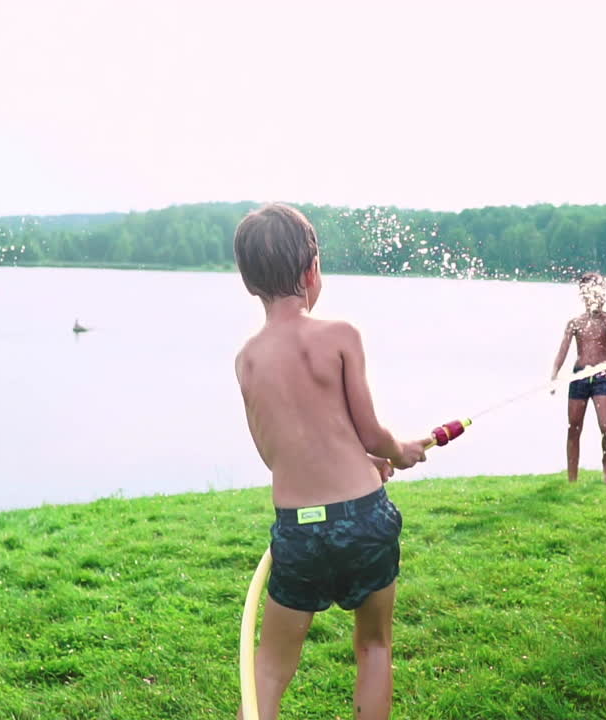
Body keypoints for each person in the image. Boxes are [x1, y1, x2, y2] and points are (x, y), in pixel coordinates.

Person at [232, 203, 430, 720]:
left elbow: (274, 452)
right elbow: (371, 431)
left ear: (248, 282)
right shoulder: (340, 336)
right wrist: (396, 452)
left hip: (298, 531)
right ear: (311, 270)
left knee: (270, 668)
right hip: (364, 518)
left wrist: (355, 454)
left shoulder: (248, 360)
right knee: (373, 646)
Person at [549, 272, 606, 484]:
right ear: (583, 295)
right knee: (574, 428)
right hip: (579, 377)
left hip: (601, 376)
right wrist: (554, 375)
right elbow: (562, 352)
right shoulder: (575, 323)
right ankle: (572, 480)